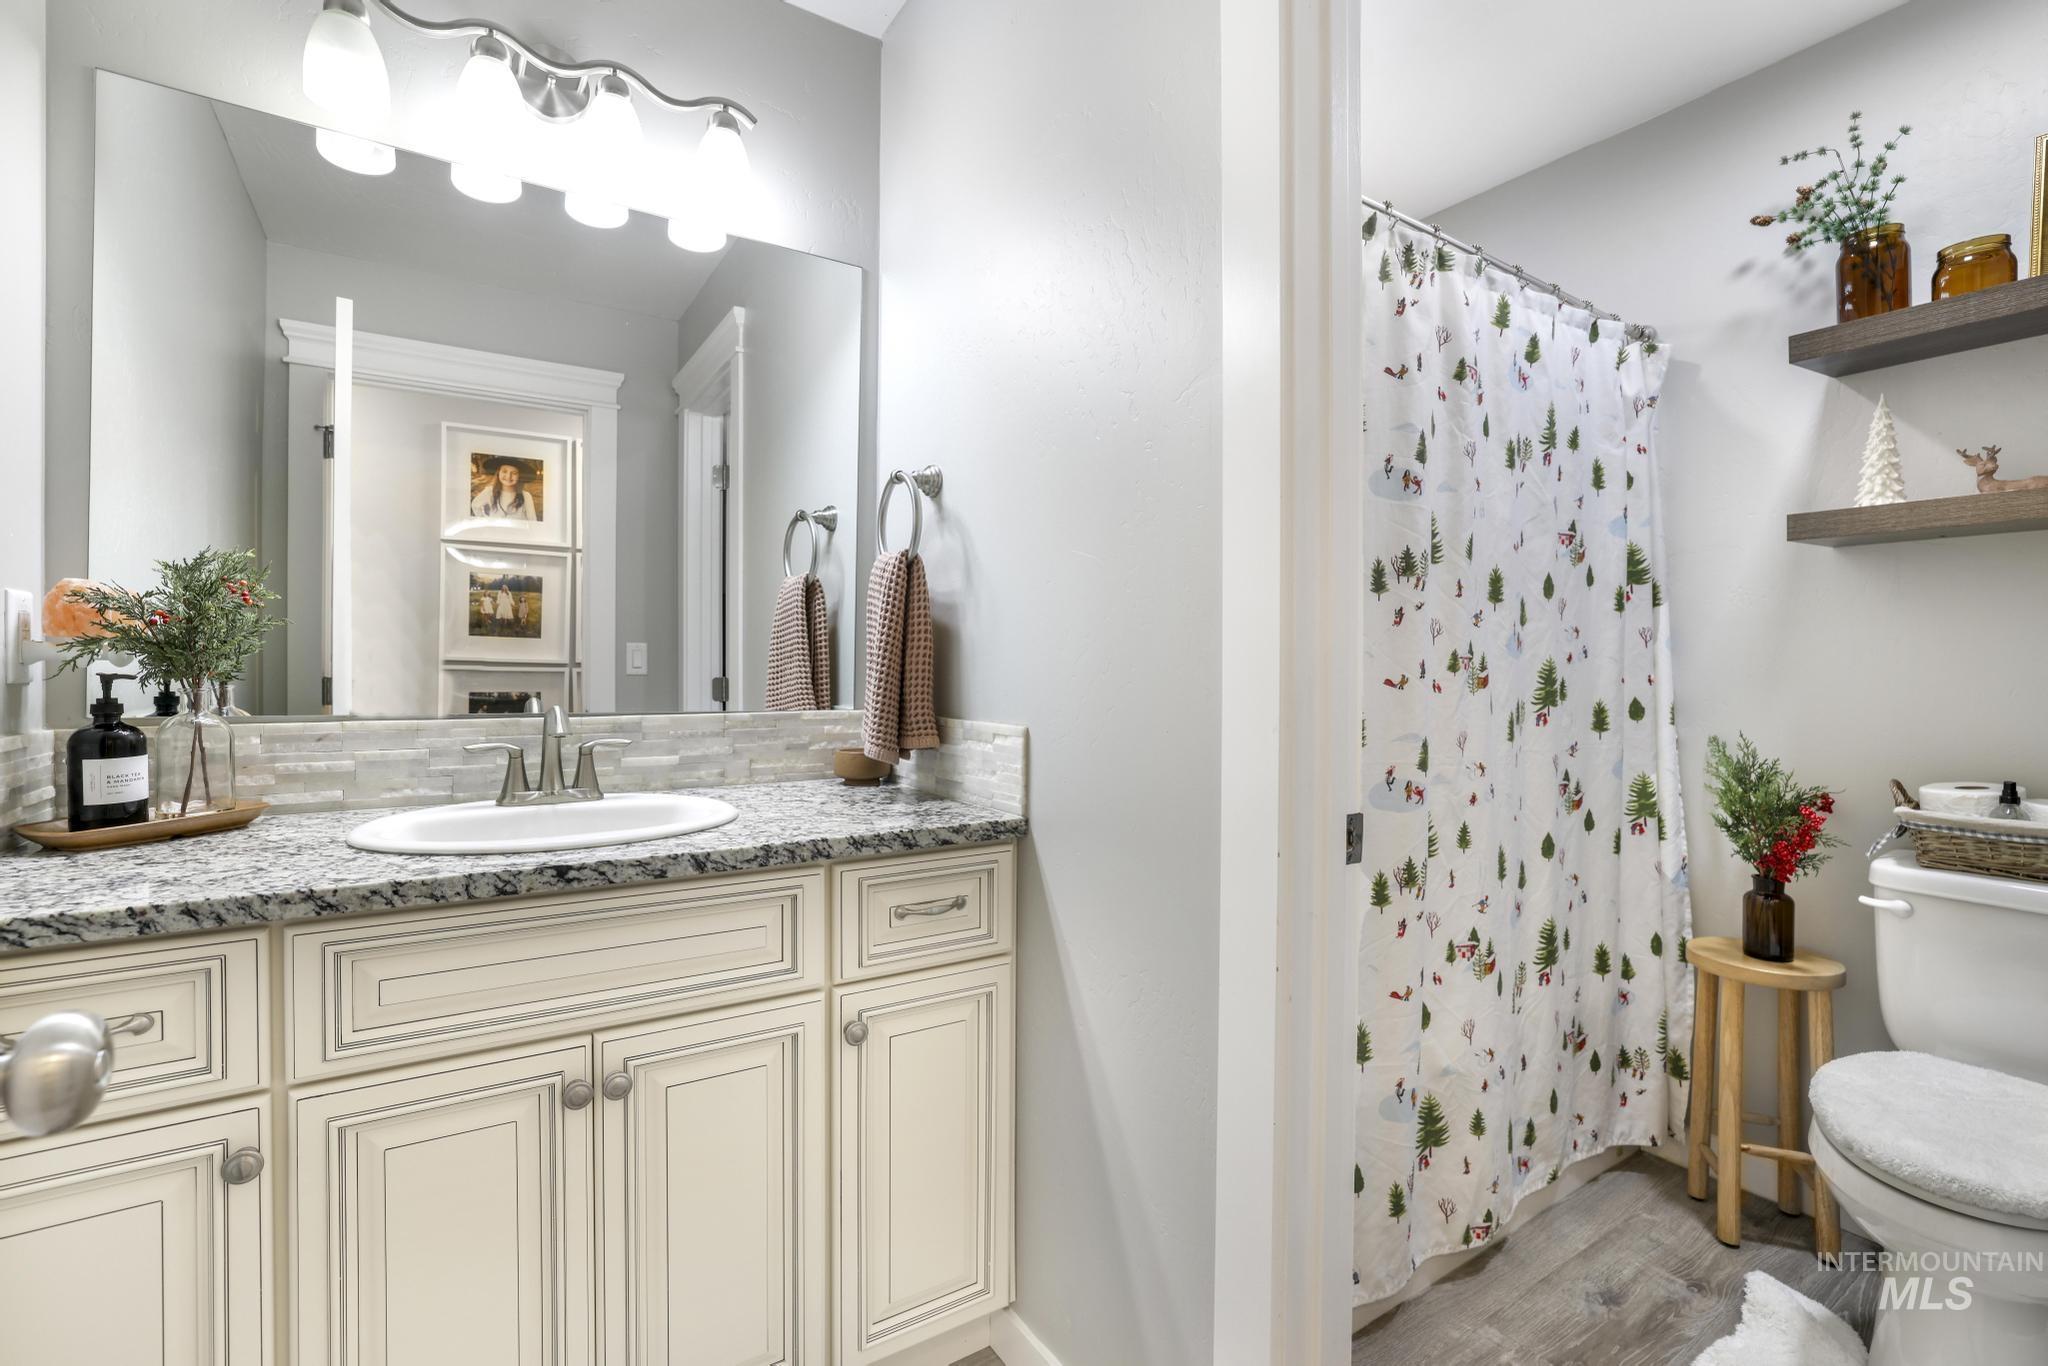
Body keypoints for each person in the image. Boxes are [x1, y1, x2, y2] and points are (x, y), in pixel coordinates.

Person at [471, 457, 540, 521]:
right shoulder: (490, 492)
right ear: (498, 473)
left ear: (519, 476)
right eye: (504, 471)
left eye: (514, 473)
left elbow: (532, 520)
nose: (508, 476)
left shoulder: (526, 496)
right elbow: (475, 505)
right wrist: (485, 521)